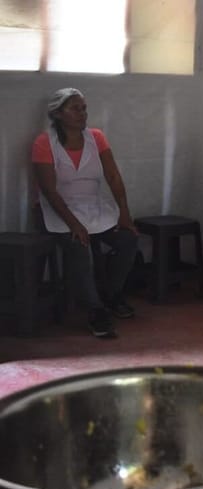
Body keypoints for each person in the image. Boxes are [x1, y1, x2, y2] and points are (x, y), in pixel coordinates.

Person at [31, 88, 138, 338]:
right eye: (75, 108)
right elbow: (48, 190)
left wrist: (124, 213)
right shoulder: (44, 143)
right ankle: (95, 310)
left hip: (94, 207)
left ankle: (111, 295)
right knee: (79, 246)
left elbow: (113, 176)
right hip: (58, 210)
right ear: (58, 114)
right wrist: (74, 224)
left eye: (84, 108)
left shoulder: (96, 138)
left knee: (128, 239)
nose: (82, 113)